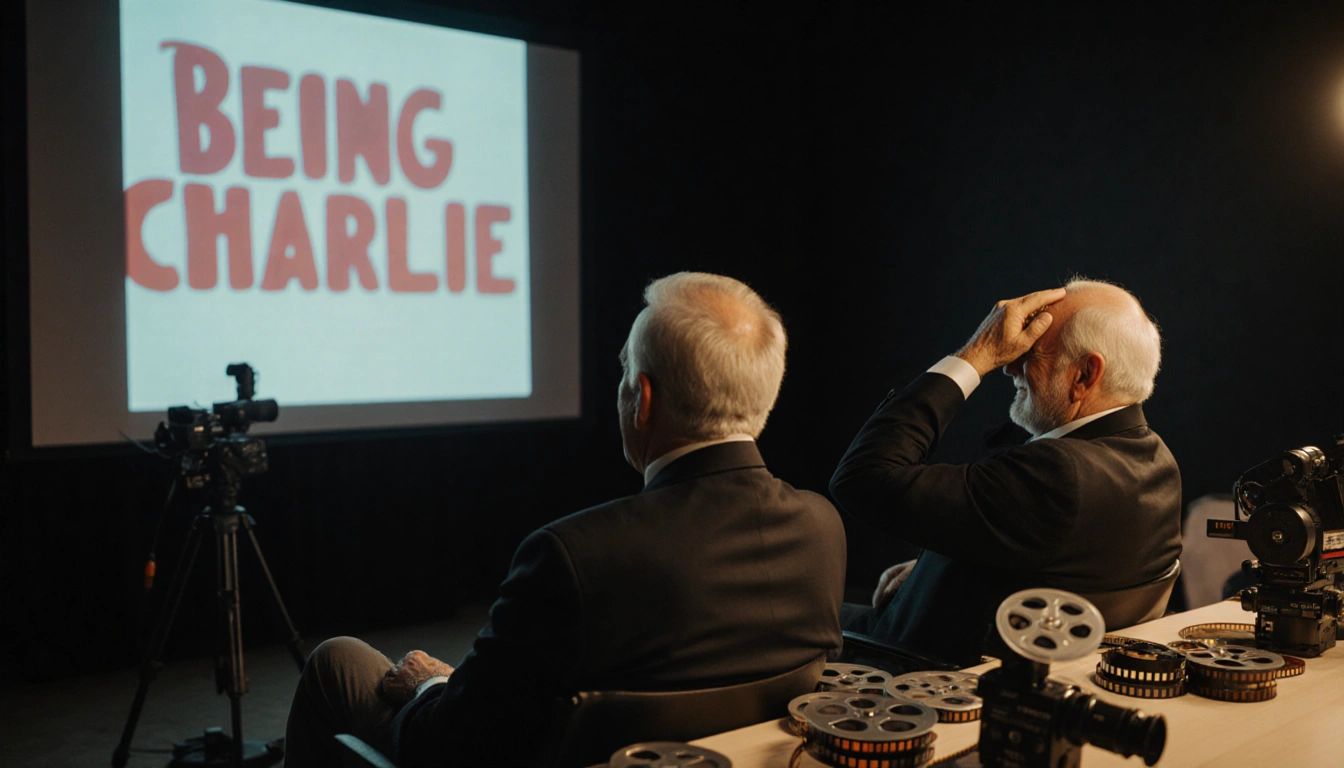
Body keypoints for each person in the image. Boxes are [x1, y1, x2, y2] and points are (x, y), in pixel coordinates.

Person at [285, 273, 846, 767]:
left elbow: (451, 744)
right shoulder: (823, 529)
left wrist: (432, 685)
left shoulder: (573, 554)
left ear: (641, 399)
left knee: (339, 660)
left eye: (626, 369)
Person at [830, 278, 1181, 666]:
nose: (1009, 364)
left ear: (1084, 375)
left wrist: (976, 355)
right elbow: (1060, 565)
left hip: (912, 674)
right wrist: (943, 566)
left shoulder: (1056, 474)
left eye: (1032, 350)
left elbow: (864, 476)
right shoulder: (1158, 463)